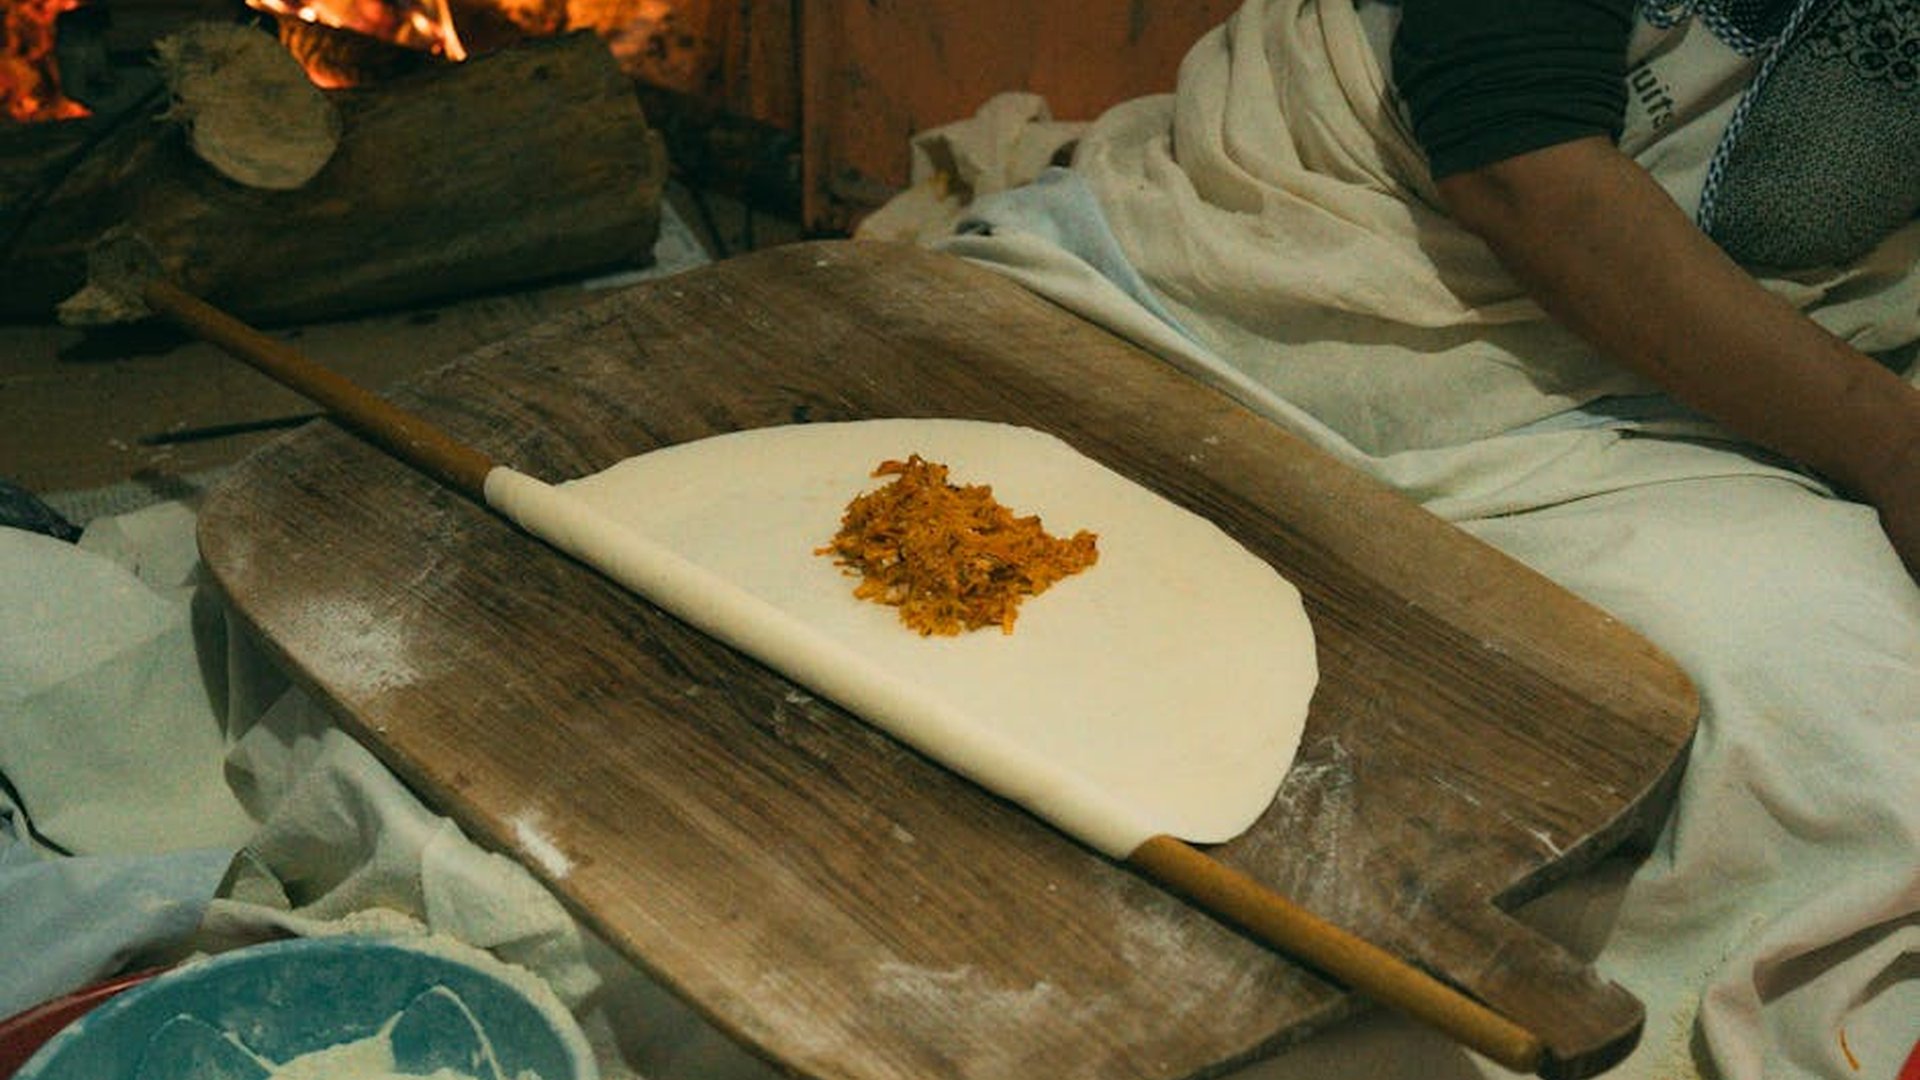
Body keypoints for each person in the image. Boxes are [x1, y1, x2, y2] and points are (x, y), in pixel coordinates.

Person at [1390, 0, 1920, 578]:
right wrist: (1891, 450)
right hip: (1437, 265)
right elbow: (1515, 164)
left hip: (1830, 324)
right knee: (1820, 649)